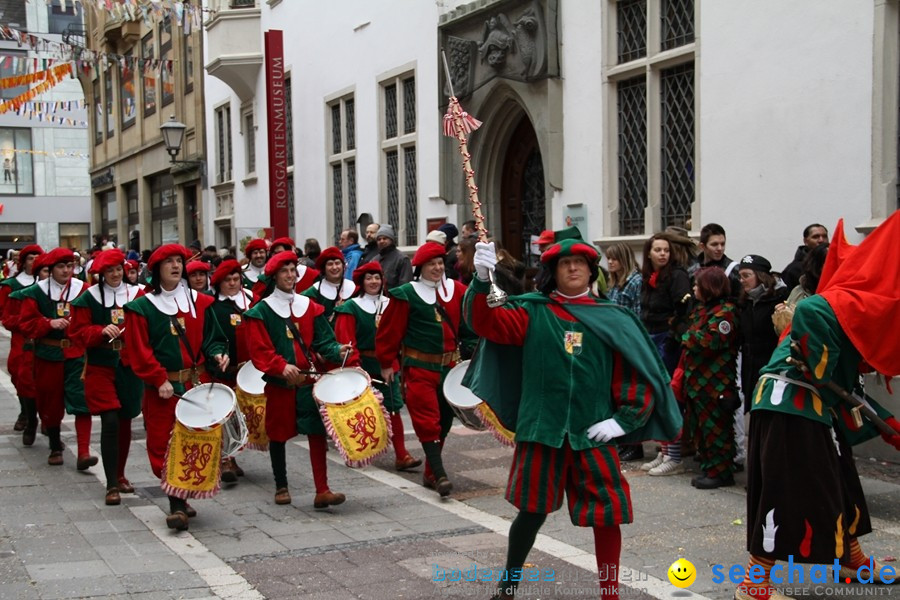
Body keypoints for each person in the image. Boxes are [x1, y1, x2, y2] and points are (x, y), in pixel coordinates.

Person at [465, 238, 680, 600]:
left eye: (580, 262)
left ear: (591, 269)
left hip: (592, 435)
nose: (573, 268)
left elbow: (636, 372)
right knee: (530, 513)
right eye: (564, 264)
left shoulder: (615, 318)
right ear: (554, 272)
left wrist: (622, 421)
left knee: (607, 516)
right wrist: (482, 280)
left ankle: (609, 593)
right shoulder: (533, 311)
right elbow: (486, 322)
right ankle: (508, 584)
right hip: (542, 431)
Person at [734, 213, 900, 600]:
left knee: (841, 481)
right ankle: (754, 582)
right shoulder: (826, 305)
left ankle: (853, 562)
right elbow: (824, 368)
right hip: (787, 405)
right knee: (784, 489)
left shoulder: (846, 307)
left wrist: (888, 424)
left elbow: (842, 384)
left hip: (812, 406)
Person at [124, 244, 230, 531]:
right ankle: (175, 504)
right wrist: (158, 378)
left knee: (194, 441)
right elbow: (139, 350)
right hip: (164, 388)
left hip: (196, 383)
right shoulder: (141, 308)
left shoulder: (202, 302)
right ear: (156, 269)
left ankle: (183, 496)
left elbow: (213, 338)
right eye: (168, 262)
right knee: (164, 443)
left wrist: (218, 353)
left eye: (179, 261)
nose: (175, 266)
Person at [243, 251, 353, 507]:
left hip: (308, 382)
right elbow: (260, 350)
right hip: (281, 384)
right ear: (275, 276)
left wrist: (337, 350)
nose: (291, 276)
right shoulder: (261, 311)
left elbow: (323, 340)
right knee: (278, 433)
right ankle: (281, 486)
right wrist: (280, 367)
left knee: (316, 432)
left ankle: (322, 489)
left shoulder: (310, 307)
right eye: (285, 271)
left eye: (293, 270)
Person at [376, 240, 473, 497]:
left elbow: (467, 327)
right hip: (420, 367)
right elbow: (389, 332)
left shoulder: (458, 291)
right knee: (427, 420)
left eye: (441, 263)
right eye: (432, 264)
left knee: (444, 421)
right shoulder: (406, 294)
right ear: (421, 268)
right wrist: (387, 363)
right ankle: (440, 475)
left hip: (450, 368)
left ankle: (431, 471)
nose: (438, 268)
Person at [69, 249, 144, 505]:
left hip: (128, 365)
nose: (115, 274)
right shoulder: (88, 298)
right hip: (100, 365)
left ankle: (120, 475)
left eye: (118, 269)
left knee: (124, 421)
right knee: (109, 419)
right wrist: (99, 331)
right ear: (101, 274)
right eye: (109, 270)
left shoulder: (138, 294)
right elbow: (77, 333)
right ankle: (111, 483)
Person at [333, 261, 422, 471]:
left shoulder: (393, 303)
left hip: (388, 365)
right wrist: (355, 370)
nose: (374, 282)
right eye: (369, 278)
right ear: (361, 282)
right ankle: (357, 450)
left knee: (393, 406)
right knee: (359, 411)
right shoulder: (350, 307)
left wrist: (391, 362)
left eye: (377, 277)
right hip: (361, 365)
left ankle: (402, 455)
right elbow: (347, 341)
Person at [18, 248, 93, 468]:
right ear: (51, 270)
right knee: (50, 402)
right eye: (61, 266)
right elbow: (25, 324)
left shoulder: (84, 290)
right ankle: (54, 445)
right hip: (48, 354)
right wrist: (48, 324)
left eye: (70, 266)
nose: (66, 271)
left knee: (81, 401)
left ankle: (84, 452)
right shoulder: (36, 292)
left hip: (77, 354)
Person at [679, 267, 739, 489]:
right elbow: (681, 332)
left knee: (716, 429)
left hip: (716, 383)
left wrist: (687, 336)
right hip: (696, 383)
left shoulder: (726, 312)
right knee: (701, 428)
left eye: (697, 285)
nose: (694, 288)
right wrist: (680, 320)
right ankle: (708, 466)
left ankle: (721, 471)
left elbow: (709, 342)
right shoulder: (701, 311)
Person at [638, 232, 691, 475]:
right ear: (649, 253)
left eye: (666, 250)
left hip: (667, 340)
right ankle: (664, 450)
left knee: (671, 396)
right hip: (651, 338)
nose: (662, 254)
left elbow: (683, 312)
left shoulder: (677, 276)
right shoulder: (648, 276)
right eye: (658, 250)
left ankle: (675, 456)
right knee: (658, 395)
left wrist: (672, 338)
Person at [207, 259, 254, 484]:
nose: (233, 283)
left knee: (240, 414)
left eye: (236, 279)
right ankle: (225, 459)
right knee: (223, 414)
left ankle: (233, 455)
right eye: (228, 280)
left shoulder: (250, 300)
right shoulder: (213, 305)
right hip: (224, 367)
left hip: (248, 369)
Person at [736, 255, 788, 413]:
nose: (742, 280)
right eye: (740, 276)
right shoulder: (745, 302)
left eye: (746, 275)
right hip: (750, 368)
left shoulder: (780, 299)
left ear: (760, 276)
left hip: (772, 366)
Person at [0, 244, 43, 433]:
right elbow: (4, 315)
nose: (34, 262)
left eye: (37, 258)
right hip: (21, 338)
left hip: (44, 339)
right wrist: (27, 323)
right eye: (31, 258)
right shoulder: (11, 285)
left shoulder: (46, 285)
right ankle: (26, 411)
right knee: (19, 375)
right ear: (23, 262)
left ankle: (47, 418)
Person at [302, 246, 355, 322]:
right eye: (330, 264)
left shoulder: (355, 290)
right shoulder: (313, 293)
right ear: (324, 268)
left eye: (337, 263)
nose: (334, 267)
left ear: (343, 266)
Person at [779, 223, 829, 292]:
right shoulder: (793, 270)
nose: (821, 240)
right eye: (815, 237)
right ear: (805, 241)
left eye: (824, 236)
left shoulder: (837, 264)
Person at [697, 223, 741, 298]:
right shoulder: (693, 268)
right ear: (702, 246)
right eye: (714, 244)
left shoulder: (734, 270)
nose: (720, 248)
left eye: (723, 244)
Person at [605, 243, 641, 315]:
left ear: (624, 259)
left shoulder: (636, 282)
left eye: (614, 259)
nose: (610, 262)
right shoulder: (613, 281)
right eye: (608, 258)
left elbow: (638, 315)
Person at [373, 225, 413, 289]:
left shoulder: (402, 259)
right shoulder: (374, 260)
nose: (381, 241)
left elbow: (405, 285)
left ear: (391, 240)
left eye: (385, 238)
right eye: (379, 239)